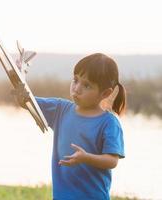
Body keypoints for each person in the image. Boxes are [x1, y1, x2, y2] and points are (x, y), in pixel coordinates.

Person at [14, 53, 125, 200]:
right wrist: (18, 80)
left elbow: (112, 161)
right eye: (75, 80)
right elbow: (27, 102)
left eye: (87, 85)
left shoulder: (109, 123)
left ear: (105, 93)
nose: (77, 88)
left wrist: (86, 158)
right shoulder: (60, 109)